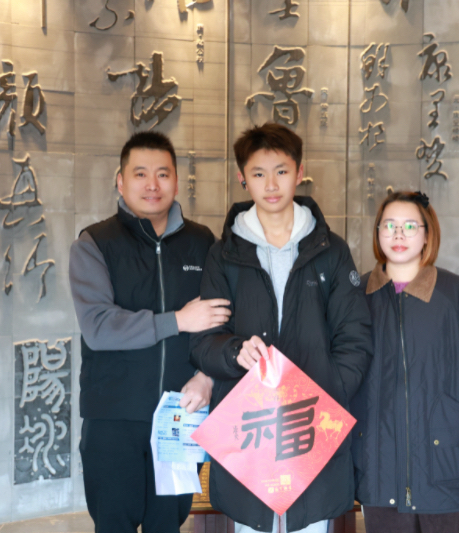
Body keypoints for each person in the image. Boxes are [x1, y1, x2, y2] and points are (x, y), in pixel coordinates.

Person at [190, 123, 373, 533]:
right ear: (242, 177)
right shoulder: (223, 255)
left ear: (299, 172)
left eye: (281, 171)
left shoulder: (331, 250)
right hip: (250, 431)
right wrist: (233, 351)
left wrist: (327, 394)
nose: (271, 185)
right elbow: (204, 342)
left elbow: (355, 337)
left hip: (311, 427)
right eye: (258, 173)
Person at [69, 131, 231, 533]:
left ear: (176, 181)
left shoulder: (203, 243)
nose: (152, 184)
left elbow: (224, 320)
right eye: (140, 174)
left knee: (168, 526)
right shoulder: (95, 243)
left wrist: (207, 376)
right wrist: (177, 320)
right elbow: (99, 327)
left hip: (180, 417)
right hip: (112, 420)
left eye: (163, 173)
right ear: (120, 181)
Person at [351, 190, 459, 533]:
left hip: (446, 462)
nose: (398, 234)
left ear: (427, 234)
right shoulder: (357, 297)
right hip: (378, 463)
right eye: (389, 225)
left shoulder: (456, 294)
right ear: (377, 233)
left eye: (410, 226)